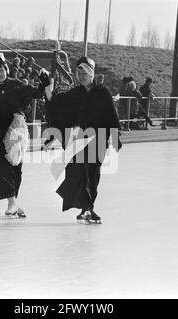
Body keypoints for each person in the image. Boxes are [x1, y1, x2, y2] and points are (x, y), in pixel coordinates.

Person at [0, 53, 51, 218]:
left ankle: (12, 202)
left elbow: (37, 93)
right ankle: (12, 203)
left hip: (14, 132)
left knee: (14, 167)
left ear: (6, 69)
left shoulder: (17, 85)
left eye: (1, 69)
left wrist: (43, 81)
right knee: (0, 166)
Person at [44, 57, 122, 224]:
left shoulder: (102, 93)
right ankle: (86, 209)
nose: (81, 76)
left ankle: (88, 208)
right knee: (80, 172)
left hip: (98, 139)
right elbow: (58, 105)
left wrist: (115, 136)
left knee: (92, 175)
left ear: (91, 73)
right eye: (79, 73)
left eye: (84, 72)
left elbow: (111, 116)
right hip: (79, 140)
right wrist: (48, 87)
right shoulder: (75, 93)